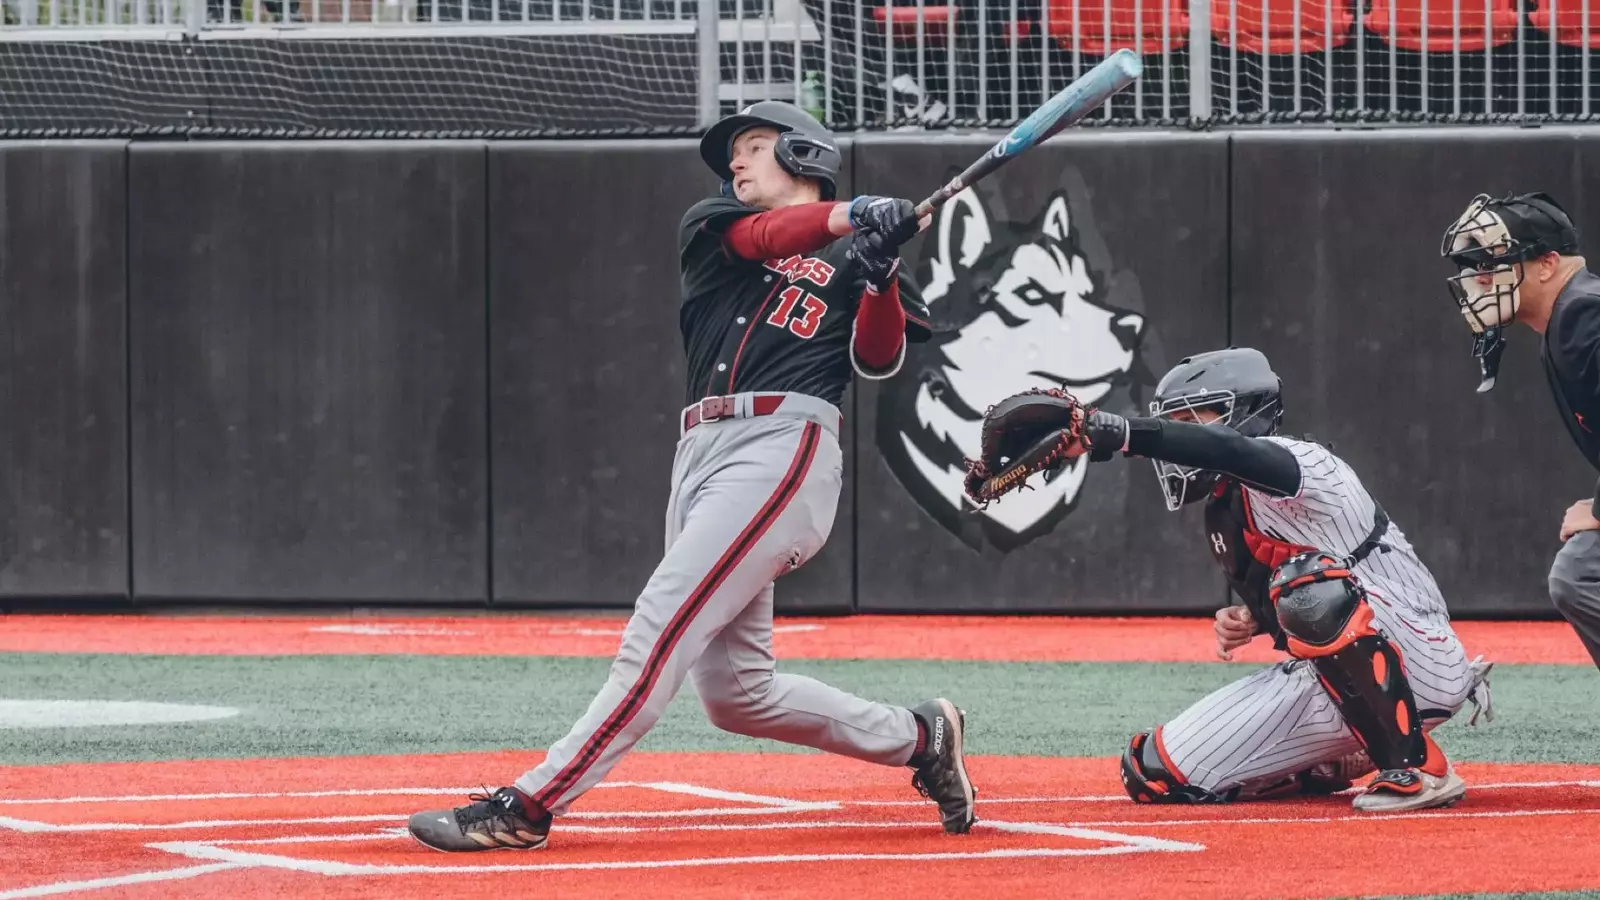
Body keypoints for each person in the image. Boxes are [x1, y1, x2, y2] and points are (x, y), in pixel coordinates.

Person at [407, 101, 977, 852]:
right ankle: (918, 737)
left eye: (753, 147)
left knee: (660, 625)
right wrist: (855, 215)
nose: (735, 163)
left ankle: (530, 805)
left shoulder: (854, 249)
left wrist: (875, 281)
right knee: (738, 695)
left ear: (804, 153)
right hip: (703, 450)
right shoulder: (717, 226)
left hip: (784, 443)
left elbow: (878, 360)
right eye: (733, 152)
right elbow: (769, 235)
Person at [964, 348, 1492, 812]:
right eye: (1182, 421)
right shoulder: (1224, 513)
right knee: (1152, 771)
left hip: (1423, 655)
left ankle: (1415, 766)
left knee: (1307, 587)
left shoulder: (1306, 463)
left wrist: (1117, 432)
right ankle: (1343, 757)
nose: (1191, 431)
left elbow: (1231, 454)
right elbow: (1299, 624)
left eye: (1201, 417)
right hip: (1340, 686)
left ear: (1245, 412)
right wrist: (1258, 621)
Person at [1439, 191, 1600, 672]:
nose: (1479, 279)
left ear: (1548, 263)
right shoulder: (1572, 316)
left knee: (1582, 572)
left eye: (1493, 264)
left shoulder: (1582, 317)